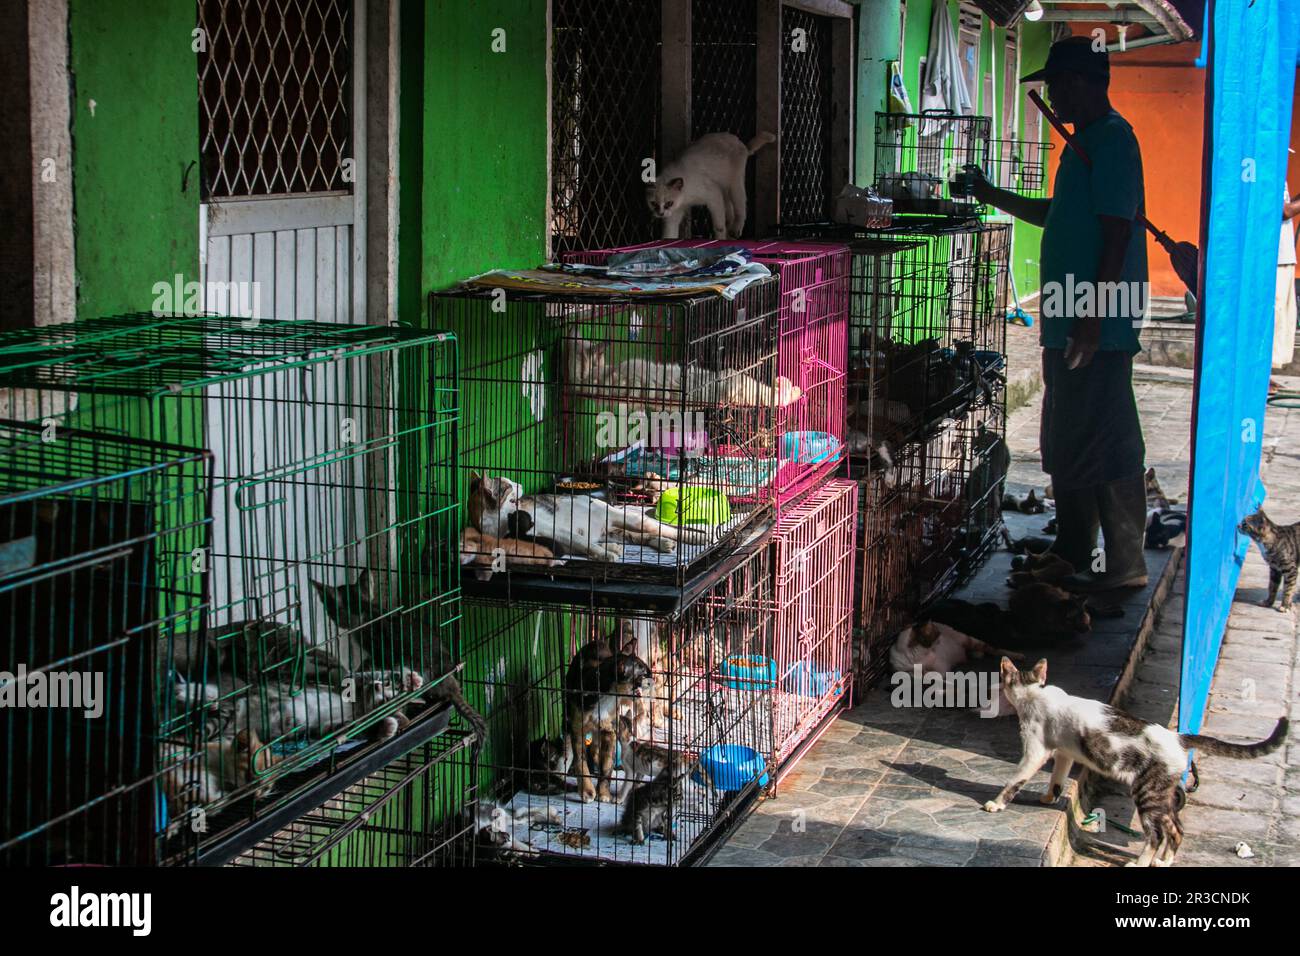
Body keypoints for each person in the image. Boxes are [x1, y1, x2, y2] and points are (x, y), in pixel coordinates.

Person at [971, 36, 1149, 591]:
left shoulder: (1114, 140)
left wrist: (1093, 319)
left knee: (1107, 432)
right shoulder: (1083, 144)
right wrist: (989, 193)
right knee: (1070, 432)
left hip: (1098, 320)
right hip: (1070, 315)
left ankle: (1123, 566)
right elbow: (1059, 216)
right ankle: (1075, 547)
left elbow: (1118, 233)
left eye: (1054, 84)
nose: (1050, 95)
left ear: (1078, 82)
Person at [1273, 181, 1300, 369]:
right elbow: (1284, 211)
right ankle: (1263, 376)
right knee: (1276, 315)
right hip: (1277, 257)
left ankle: (1267, 375)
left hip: (1285, 255)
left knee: (1285, 317)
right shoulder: (1270, 169)